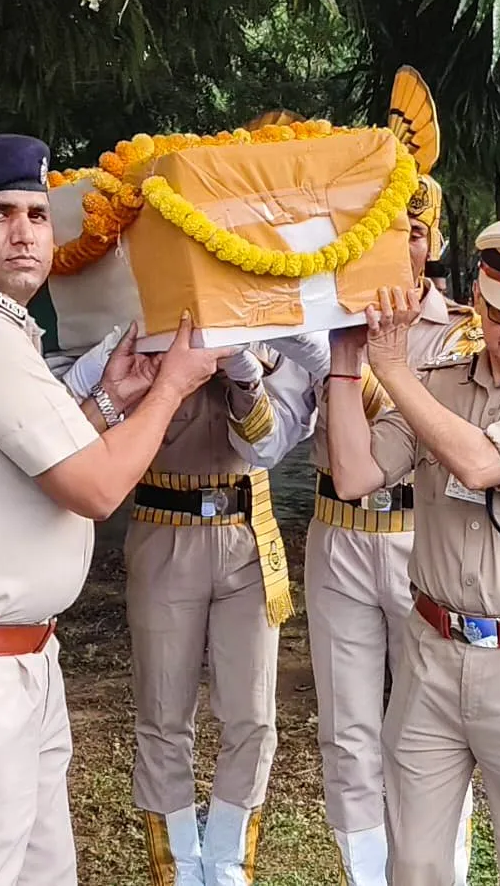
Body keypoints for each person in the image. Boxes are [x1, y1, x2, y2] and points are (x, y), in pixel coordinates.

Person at [0, 134, 230, 886]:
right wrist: (169, 390)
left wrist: (106, 401)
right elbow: (94, 489)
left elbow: (17, 463)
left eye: (35, 213)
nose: (25, 231)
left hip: (7, 663)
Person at [325, 218, 500, 886]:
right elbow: (355, 475)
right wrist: (345, 367)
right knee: (416, 863)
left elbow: (481, 463)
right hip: (430, 653)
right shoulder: (437, 381)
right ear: (478, 301)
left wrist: (391, 368)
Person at [243, 173, 482, 886]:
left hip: (426, 540)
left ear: (431, 242)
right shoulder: (321, 325)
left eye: (412, 232)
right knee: (346, 729)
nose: (399, 247)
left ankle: (442, 872)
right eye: (382, 231)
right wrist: (239, 369)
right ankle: (366, 876)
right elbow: (266, 438)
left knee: (436, 726)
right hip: (337, 537)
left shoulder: (464, 335)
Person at [125, 334, 313, 885]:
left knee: (253, 716)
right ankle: (179, 866)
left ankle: (229, 862)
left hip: (248, 534)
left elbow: (270, 446)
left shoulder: (275, 330)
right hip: (165, 529)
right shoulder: (146, 329)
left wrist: (246, 375)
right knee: (163, 716)